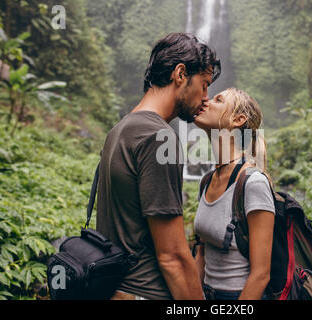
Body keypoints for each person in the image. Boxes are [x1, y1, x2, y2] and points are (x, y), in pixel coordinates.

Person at [96, 33, 221, 300]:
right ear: (180, 74)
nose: (206, 98)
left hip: (113, 287)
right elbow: (173, 257)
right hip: (144, 292)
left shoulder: (121, 129)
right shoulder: (158, 136)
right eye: (204, 84)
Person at [193, 88, 276, 300]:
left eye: (217, 100)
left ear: (238, 119)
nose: (206, 101)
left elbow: (260, 275)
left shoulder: (253, 183)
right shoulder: (207, 181)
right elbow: (201, 253)